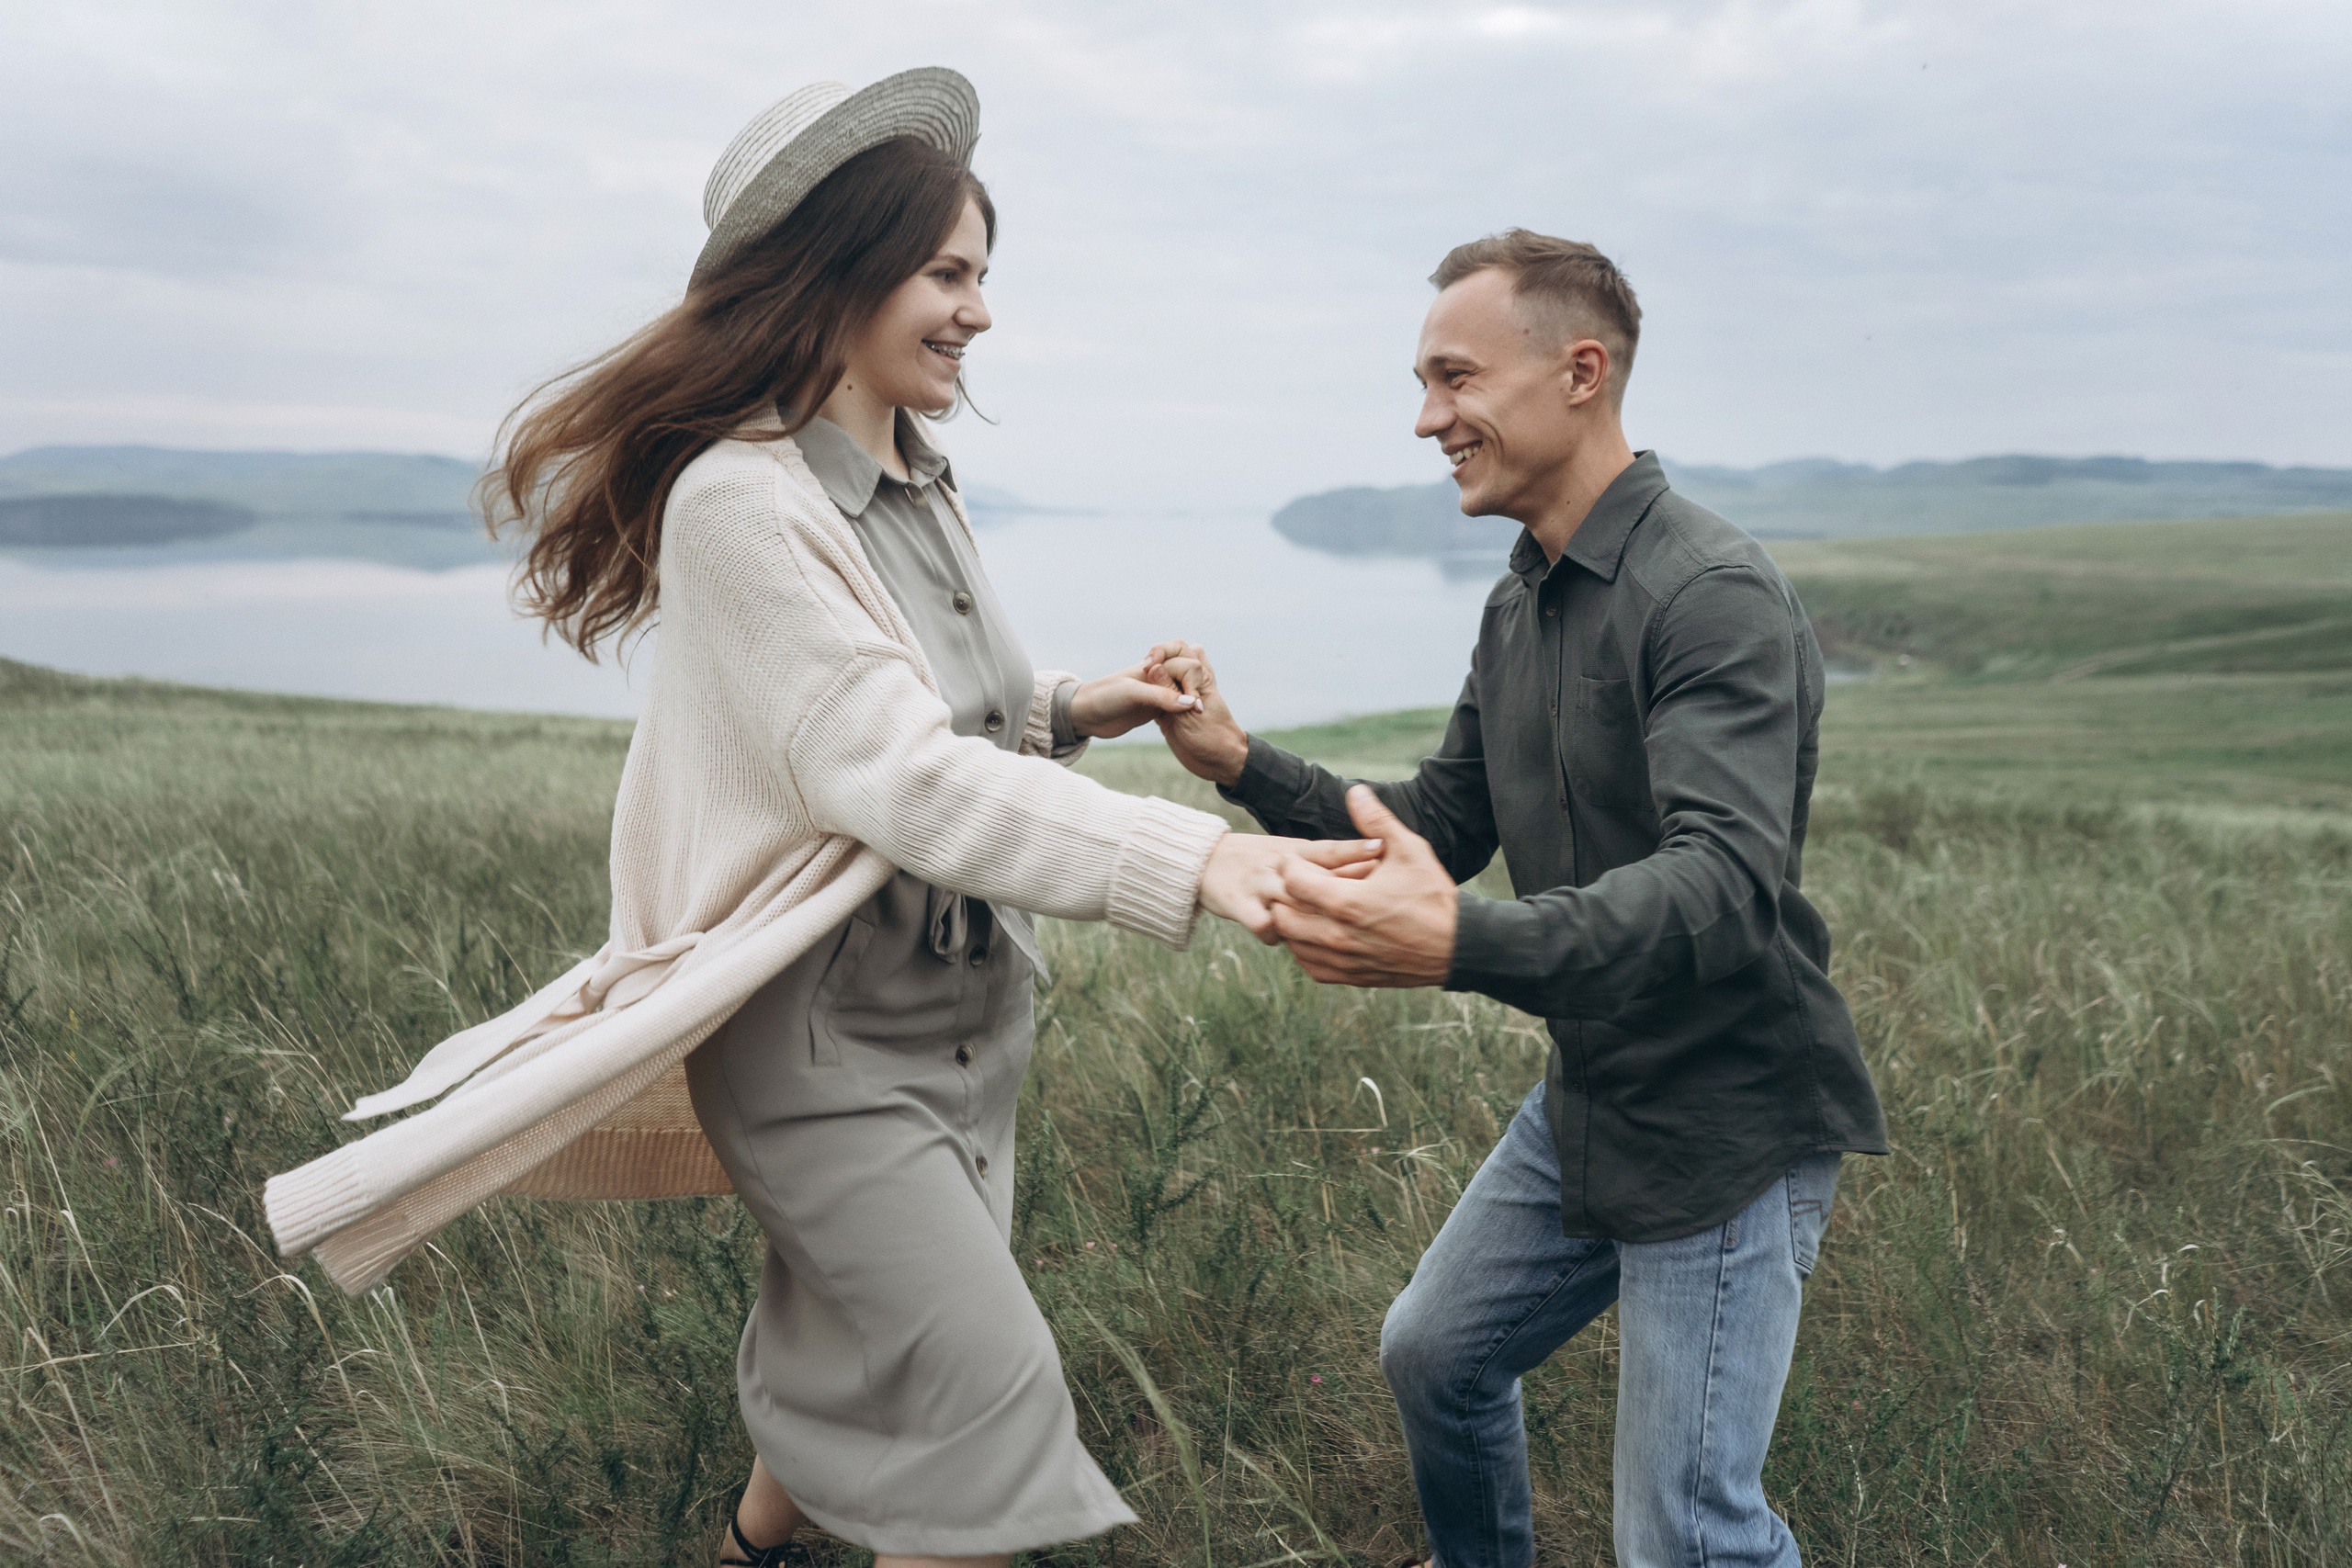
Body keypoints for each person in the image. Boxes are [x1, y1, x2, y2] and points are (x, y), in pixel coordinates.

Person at [480, 72, 1378, 1568]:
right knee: (985, 1411)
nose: (977, 313)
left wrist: (1079, 709)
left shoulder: (913, 477)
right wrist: (1202, 857)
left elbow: (950, 713)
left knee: (872, 1352)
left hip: (963, 1025)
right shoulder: (743, 507)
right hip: (821, 1050)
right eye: (946, 275)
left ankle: (749, 1551)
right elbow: (895, 777)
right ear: (838, 277)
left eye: (982, 277)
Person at [1148, 230, 1887, 1568]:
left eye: (1453, 379)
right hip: (1597, 1097)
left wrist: (1459, 944)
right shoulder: (1523, 599)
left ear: (1582, 372)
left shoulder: (1707, 594)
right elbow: (1440, 825)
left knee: (1687, 1536)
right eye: (1425, 384)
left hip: (1728, 1120)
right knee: (1436, 1357)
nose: (1428, 418)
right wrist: (1242, 765)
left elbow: (1722, 889)